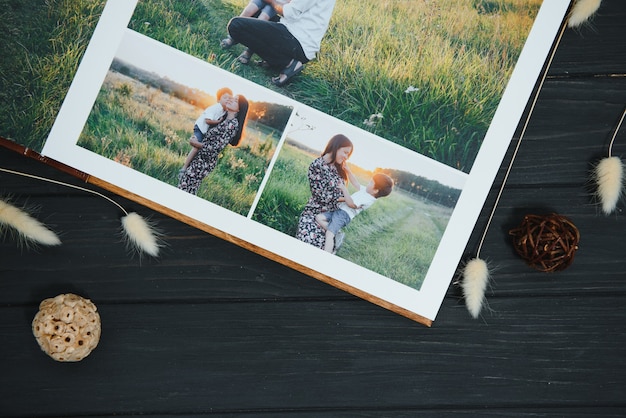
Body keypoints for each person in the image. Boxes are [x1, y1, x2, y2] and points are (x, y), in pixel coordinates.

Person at [227, 0, 337, 86]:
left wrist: (271, 1)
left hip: (297, 42)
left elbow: (289, 12)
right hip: (294, 36)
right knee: (257, 13)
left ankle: (289, 62)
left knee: (236, 25)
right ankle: (274, 61)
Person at [178, 95, 249, 195]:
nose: (231, 100)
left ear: (239, 109)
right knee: (186, 187)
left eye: (235, 101)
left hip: (204, 162)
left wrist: (197, 144)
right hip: (199, 157)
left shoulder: (232, 125)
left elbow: (216, 148)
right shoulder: (223, 118)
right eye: (232, 98)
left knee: (186, 189)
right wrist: (196, 138)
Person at [295, 134, 353, 250]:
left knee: (324, 245)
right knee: (308, 240)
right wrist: (348, 199)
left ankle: (334, 234)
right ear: (336, 147)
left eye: (348, 154)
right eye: (345, 152)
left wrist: (347, 198)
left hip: (331, 214)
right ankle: (334, 235)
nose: (346, 157)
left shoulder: (339, 169)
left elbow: (341, 193)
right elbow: (321, 196)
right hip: (315, 211)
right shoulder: (317, 165)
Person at [316, 172, 394, 253]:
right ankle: (337, 233)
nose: (368, 183)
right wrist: (348, 170)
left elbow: (351, 204)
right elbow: (355, 183)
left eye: (371, 182)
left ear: (375, 190)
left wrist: (344, 190)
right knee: (319, 217)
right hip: (339, 211)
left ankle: (326, 255)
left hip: (344, 215)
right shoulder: (366, 191)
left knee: (329, 234)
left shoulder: (368, 199)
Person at [180, 87, 233, 174]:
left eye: (229, 98)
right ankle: (184, 168)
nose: (227, 100)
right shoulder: (216, 108)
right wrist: (218, 121)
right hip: (200, 128)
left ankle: (190, 167)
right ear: (218, 99)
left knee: (201, 150)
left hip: (205, 131)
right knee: (196, 147)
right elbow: (207, 120)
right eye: (225, 97)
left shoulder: (224, 111)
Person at [220, 0, 278, 65]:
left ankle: (249, 51)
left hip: (277, 4)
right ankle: (232, 38)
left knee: (262, 19)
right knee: (248, 11)